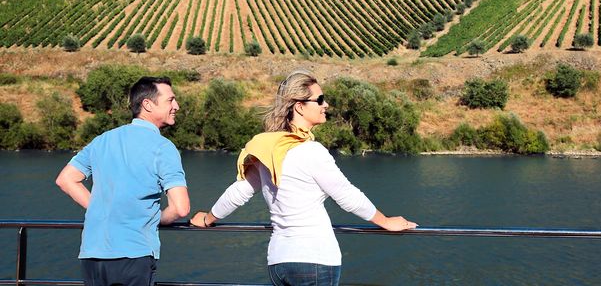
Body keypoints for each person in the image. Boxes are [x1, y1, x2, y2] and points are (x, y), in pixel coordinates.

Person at [190, 69, 417, 286]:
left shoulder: (268, 148)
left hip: (279, 263)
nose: (326, 105)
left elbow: (240, 191)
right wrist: (386, 222)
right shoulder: (312, 151)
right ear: (299, 107)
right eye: (319, 100)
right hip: (314, 261)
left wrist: (208, 218)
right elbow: (347, 196)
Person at [56, 76, 190, 286]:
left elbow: (66, 180)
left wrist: (102, 209)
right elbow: (181, 208)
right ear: (147, 104)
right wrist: (159, 219)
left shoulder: (102, 140)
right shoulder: (163, 147)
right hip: (133, 254)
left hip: (92, 254)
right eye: (170, 100)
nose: (177, 106)